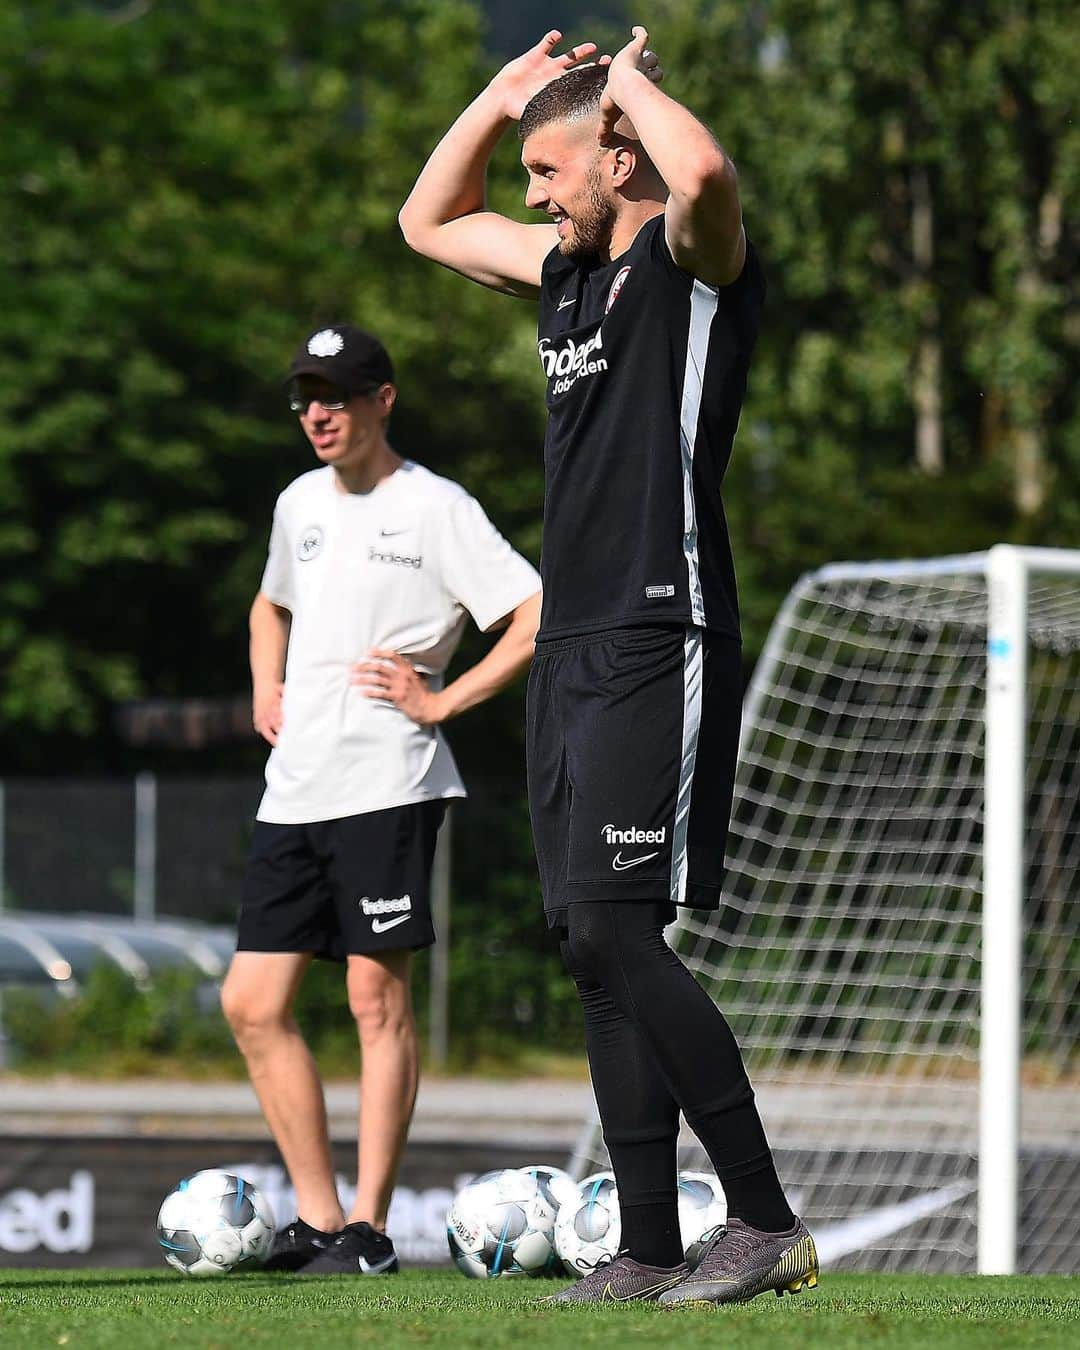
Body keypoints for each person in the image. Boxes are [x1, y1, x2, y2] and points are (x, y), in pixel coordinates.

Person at [399, 27, 817, 1305]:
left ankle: (763, 1221)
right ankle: (642, 1247)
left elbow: (705, 176)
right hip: (571, 641)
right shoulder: (567, 273)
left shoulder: (691, 261)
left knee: (628, 931)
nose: (529, 193)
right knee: (587, 939)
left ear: (617, 152)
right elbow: (426, 222)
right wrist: (502, 99)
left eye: (547, 166)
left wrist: (627, 86)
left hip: (660, 626)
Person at [220, 323, 541, 1276]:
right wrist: (264, 685)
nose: (317, 412)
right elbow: (268, 604)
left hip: (390, 780)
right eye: (305, 397)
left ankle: (368, 1223)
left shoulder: (435, 507)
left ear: (382, 401)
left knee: (372, 994)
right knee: (251, 1001)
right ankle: (318, 1218)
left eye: (338, 395)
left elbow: (532, 613)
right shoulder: (296, 503)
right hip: (297, 786)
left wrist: (441, 700)